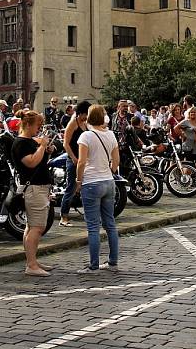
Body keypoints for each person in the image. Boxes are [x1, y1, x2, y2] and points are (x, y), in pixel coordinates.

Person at [75, 105, 119, 273]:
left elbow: (81, 162)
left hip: (91, 182)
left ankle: (93, 265)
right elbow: (116, 160)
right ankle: (113, 262)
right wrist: (110, 171)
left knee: (93, 227)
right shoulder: (111, 134)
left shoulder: (86, 136)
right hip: (108, 181)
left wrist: (79, 180)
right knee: (110, 224)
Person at [11, 110, 55, 276]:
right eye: (37, 125)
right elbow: (31, 162)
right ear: (28, 124)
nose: (39, 129)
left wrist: (45, 149)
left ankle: (33, 260)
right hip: (34, 188)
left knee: (32, 227)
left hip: (39, 187)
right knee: (37, 227)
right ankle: (31, 265)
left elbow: (39, 159)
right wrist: (42, 146)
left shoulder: (29, 141)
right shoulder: (21, 143)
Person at [59, 101, 90, 227]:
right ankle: (63, 217)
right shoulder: (73, 123)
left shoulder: (85, 123)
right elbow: (65, 143)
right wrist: (73, 158)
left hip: (84, 160)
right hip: (74, 160)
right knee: (71, 188)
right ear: (81, 113)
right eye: (86, 114)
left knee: (87, 188)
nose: (87, 116)